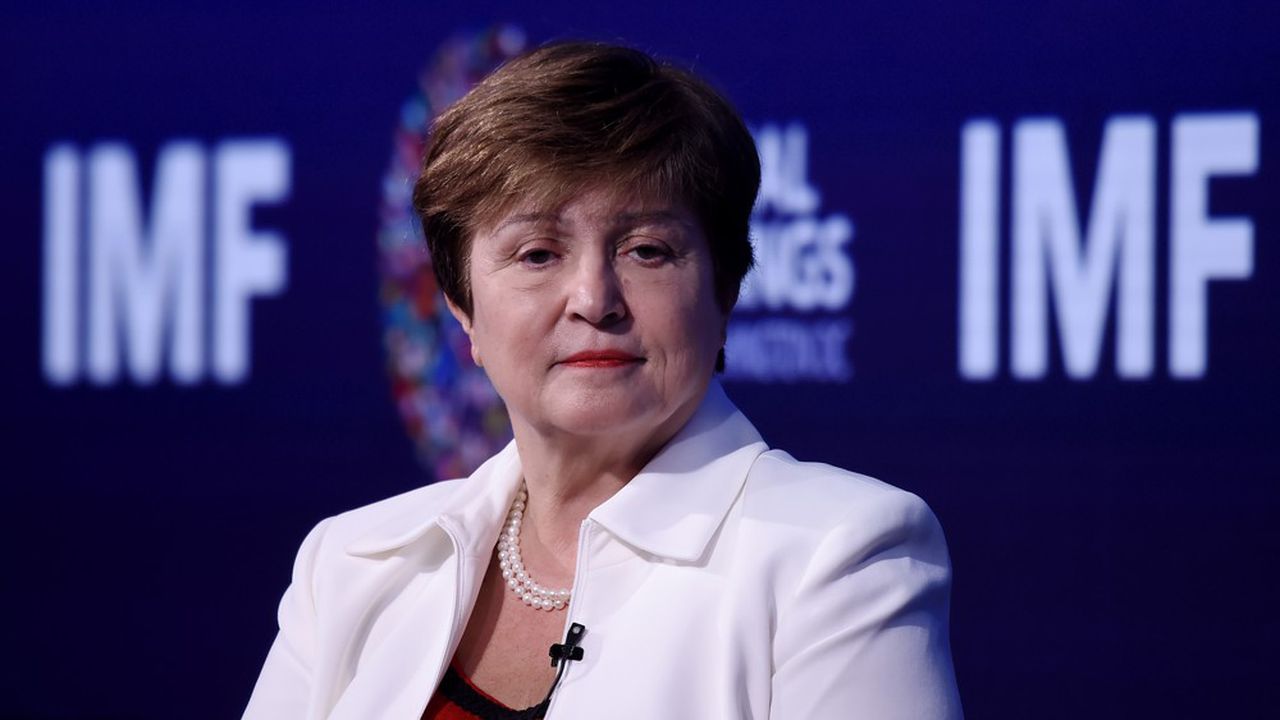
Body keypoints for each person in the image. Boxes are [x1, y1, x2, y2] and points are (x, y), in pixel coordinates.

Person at [244, 41, 962, 719]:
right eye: (537, 254)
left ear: (726, 290)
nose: (594, 297)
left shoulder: (839, 555)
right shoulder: (348, 564)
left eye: (648, 250)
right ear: (463, 307)